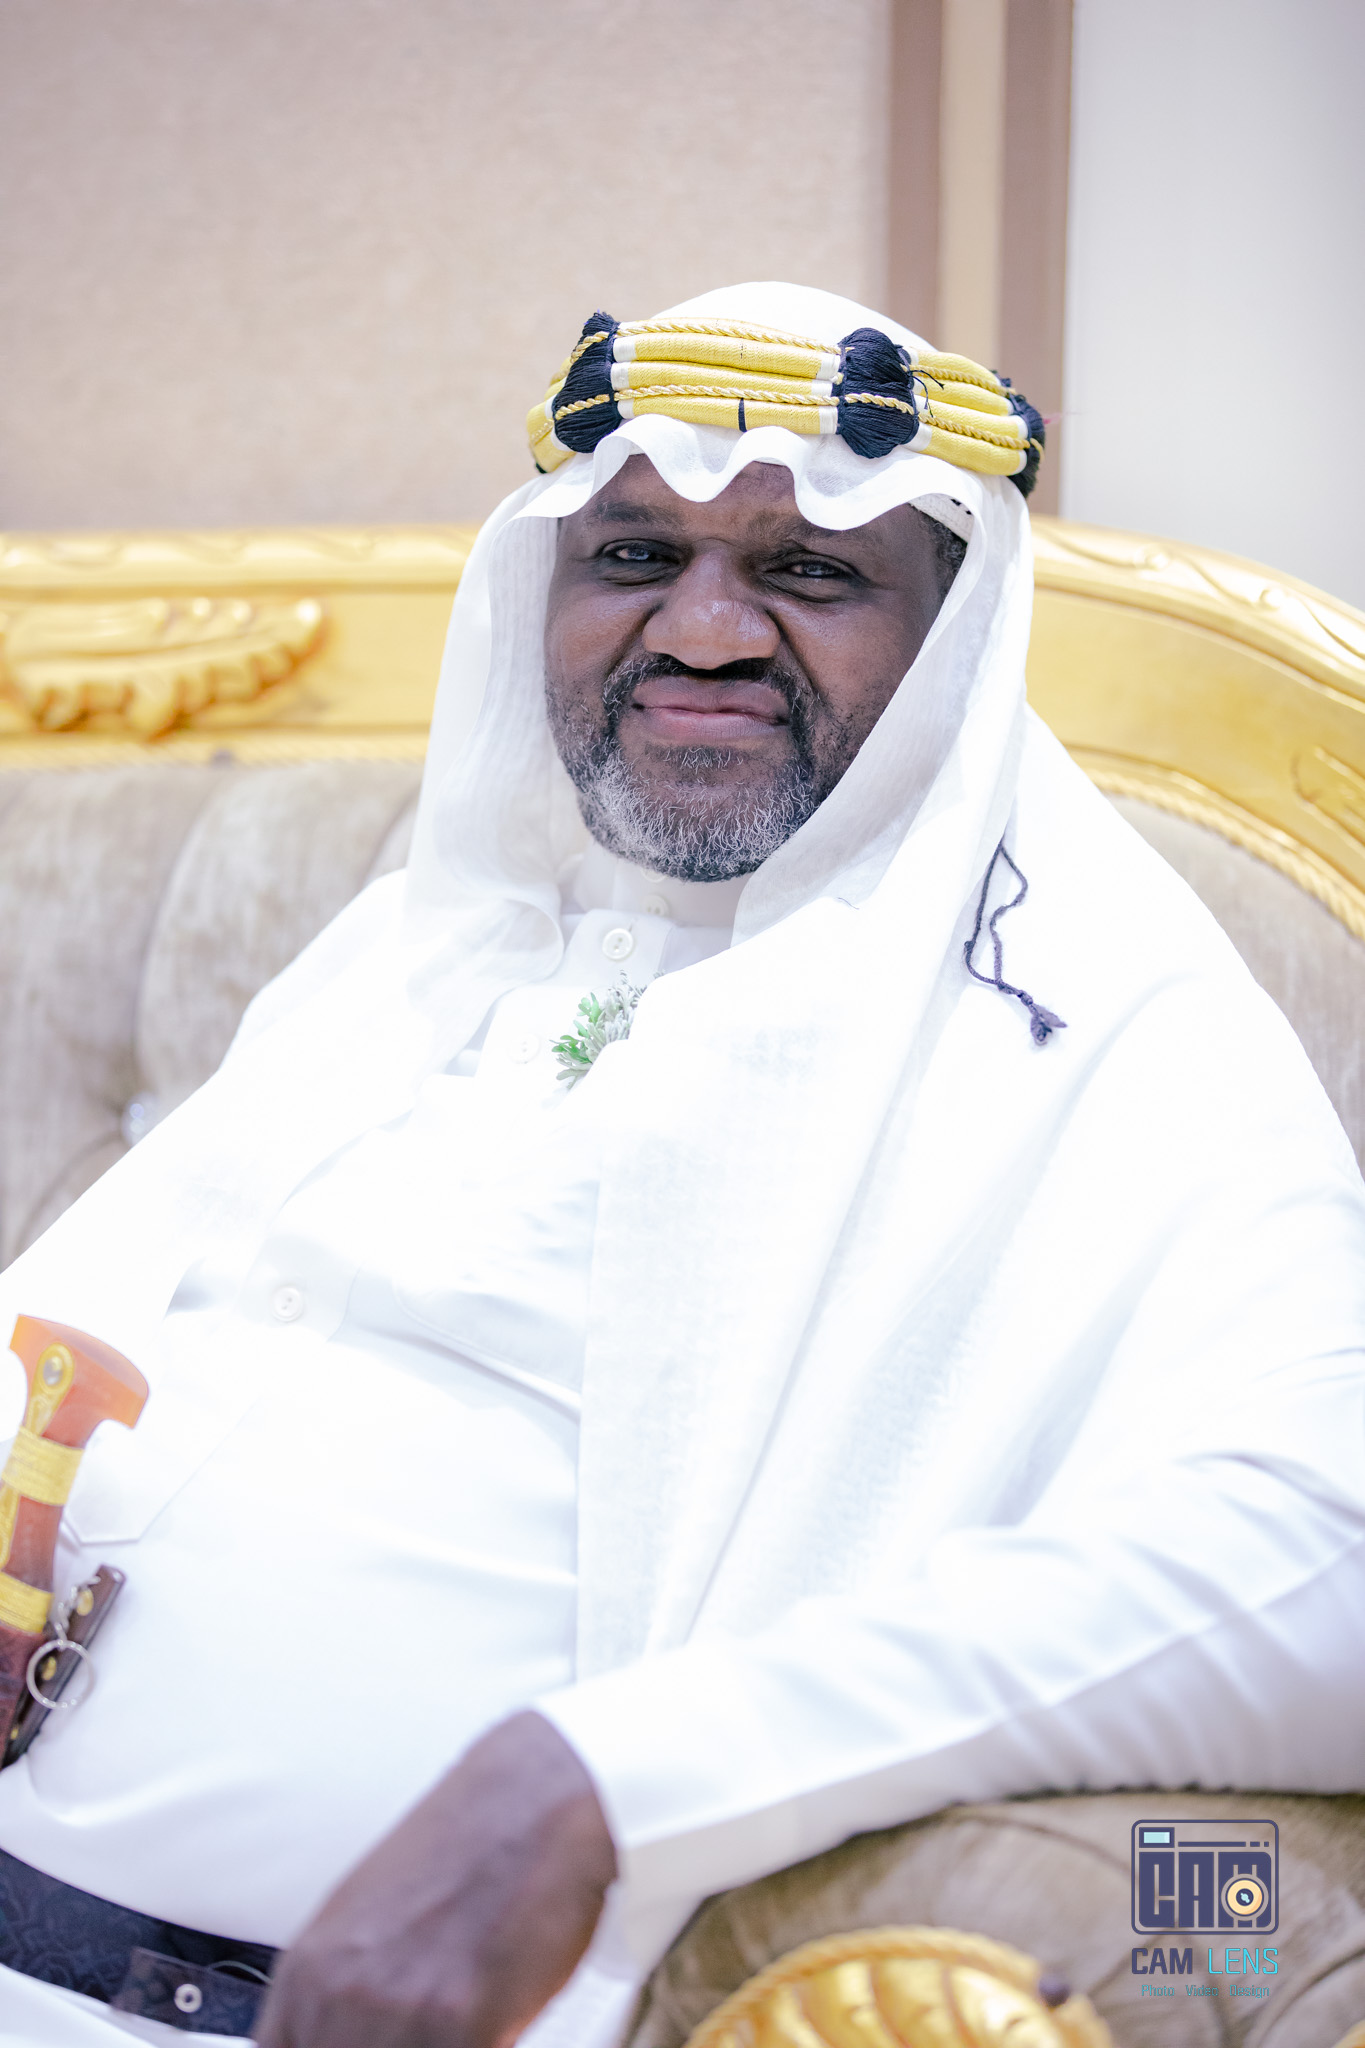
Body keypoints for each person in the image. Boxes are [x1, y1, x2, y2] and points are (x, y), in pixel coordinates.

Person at [0, 281, 1361, 2048]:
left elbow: (1326, 1564)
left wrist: (599, 1785)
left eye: (809, 572)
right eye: (634, 556)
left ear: (951, 634)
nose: (702, 632)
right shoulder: (435, 936)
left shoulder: (1091, 1019)